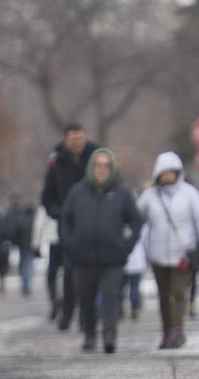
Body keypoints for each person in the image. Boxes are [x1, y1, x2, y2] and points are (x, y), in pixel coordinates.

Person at [59, 148, 142, 353]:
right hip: (83, 257)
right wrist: (70, 244)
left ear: (112, 168)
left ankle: (110, 334)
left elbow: (136, 221)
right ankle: (89, 334)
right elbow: (65, 220)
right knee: (86, 299)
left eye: (106, 165)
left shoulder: (122, 192)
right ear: (92, 167)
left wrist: (126, 247)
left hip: (113, 257)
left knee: (111, 296)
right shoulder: (77, 192)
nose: (102, 169)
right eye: (98, 165)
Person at [137, 151, 199, 349]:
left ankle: (178, 329)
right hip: (158, 253)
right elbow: (137, 217)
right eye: (165, 172)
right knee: (163, 295)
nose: (168, 175)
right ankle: (167, 331)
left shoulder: (189, 194)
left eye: (172, 171)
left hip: (182, 253)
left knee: (179, 292)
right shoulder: (150, 196)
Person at [41, 122, 99, 330]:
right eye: (72, 139)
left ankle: (87, 315)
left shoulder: (96, 157)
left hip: (93, 221)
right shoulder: (57, 162)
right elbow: (47, 196)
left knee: (91, 271)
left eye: (80, 138)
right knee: (69, 270)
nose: (77, 143)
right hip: (66, 223)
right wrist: (57, 213)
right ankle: (67, 311)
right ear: (66, 140)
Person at [2, 195, 36, 297]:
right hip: (26, 244)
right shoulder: (27, 217)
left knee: (25, 266)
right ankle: (26, 285)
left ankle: (26, 285)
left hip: (24, 244)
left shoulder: (16, 215)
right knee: (26, 265)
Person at [31, 205, 61, 317]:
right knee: (69, 274)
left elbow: (38, 226)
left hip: (52, 242)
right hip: (67, 241)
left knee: (52, 275)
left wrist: (36, 245)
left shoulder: (46, 205)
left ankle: (54, 299)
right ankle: (65, 301)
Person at [122, 227, 147, 320]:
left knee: (120, 288)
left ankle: (120, 311)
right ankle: (134, 309)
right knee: (134, 287)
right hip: (136, 261)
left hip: (122, 261)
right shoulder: (138, 227)